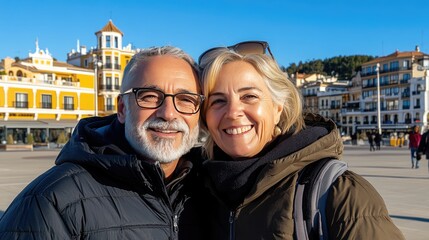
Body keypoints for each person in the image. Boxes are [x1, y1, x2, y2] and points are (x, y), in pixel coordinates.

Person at [197, 41, 405, 239]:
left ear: (278, 108)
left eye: (249, 96)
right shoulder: (196, 191)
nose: (233, 113)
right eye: (218, 101)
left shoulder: (339, 193)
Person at [0, 46, 205, 239]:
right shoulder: (50, 202)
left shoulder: (209, 190)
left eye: (186, 99)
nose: (168, 113)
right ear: (123, 109)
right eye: (150, 96)